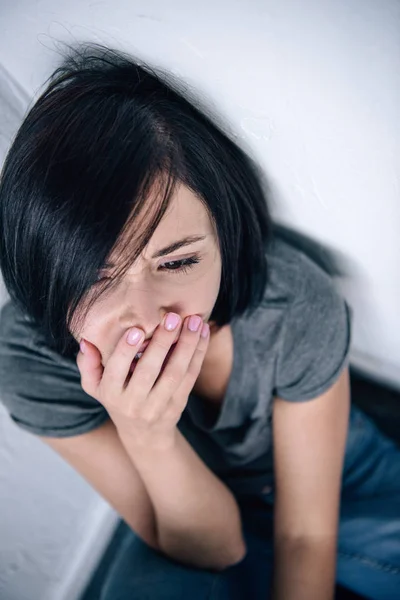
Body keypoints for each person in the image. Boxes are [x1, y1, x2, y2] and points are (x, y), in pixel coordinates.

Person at [0, 43, 399, 600]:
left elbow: (306, 535)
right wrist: (147, 435)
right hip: (181, 505)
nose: (146, 315)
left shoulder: (293, 306)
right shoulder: (28, 361)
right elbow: (214, 549)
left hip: (344, 479)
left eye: (179, 261)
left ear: (223, 237)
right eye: (95, 276)